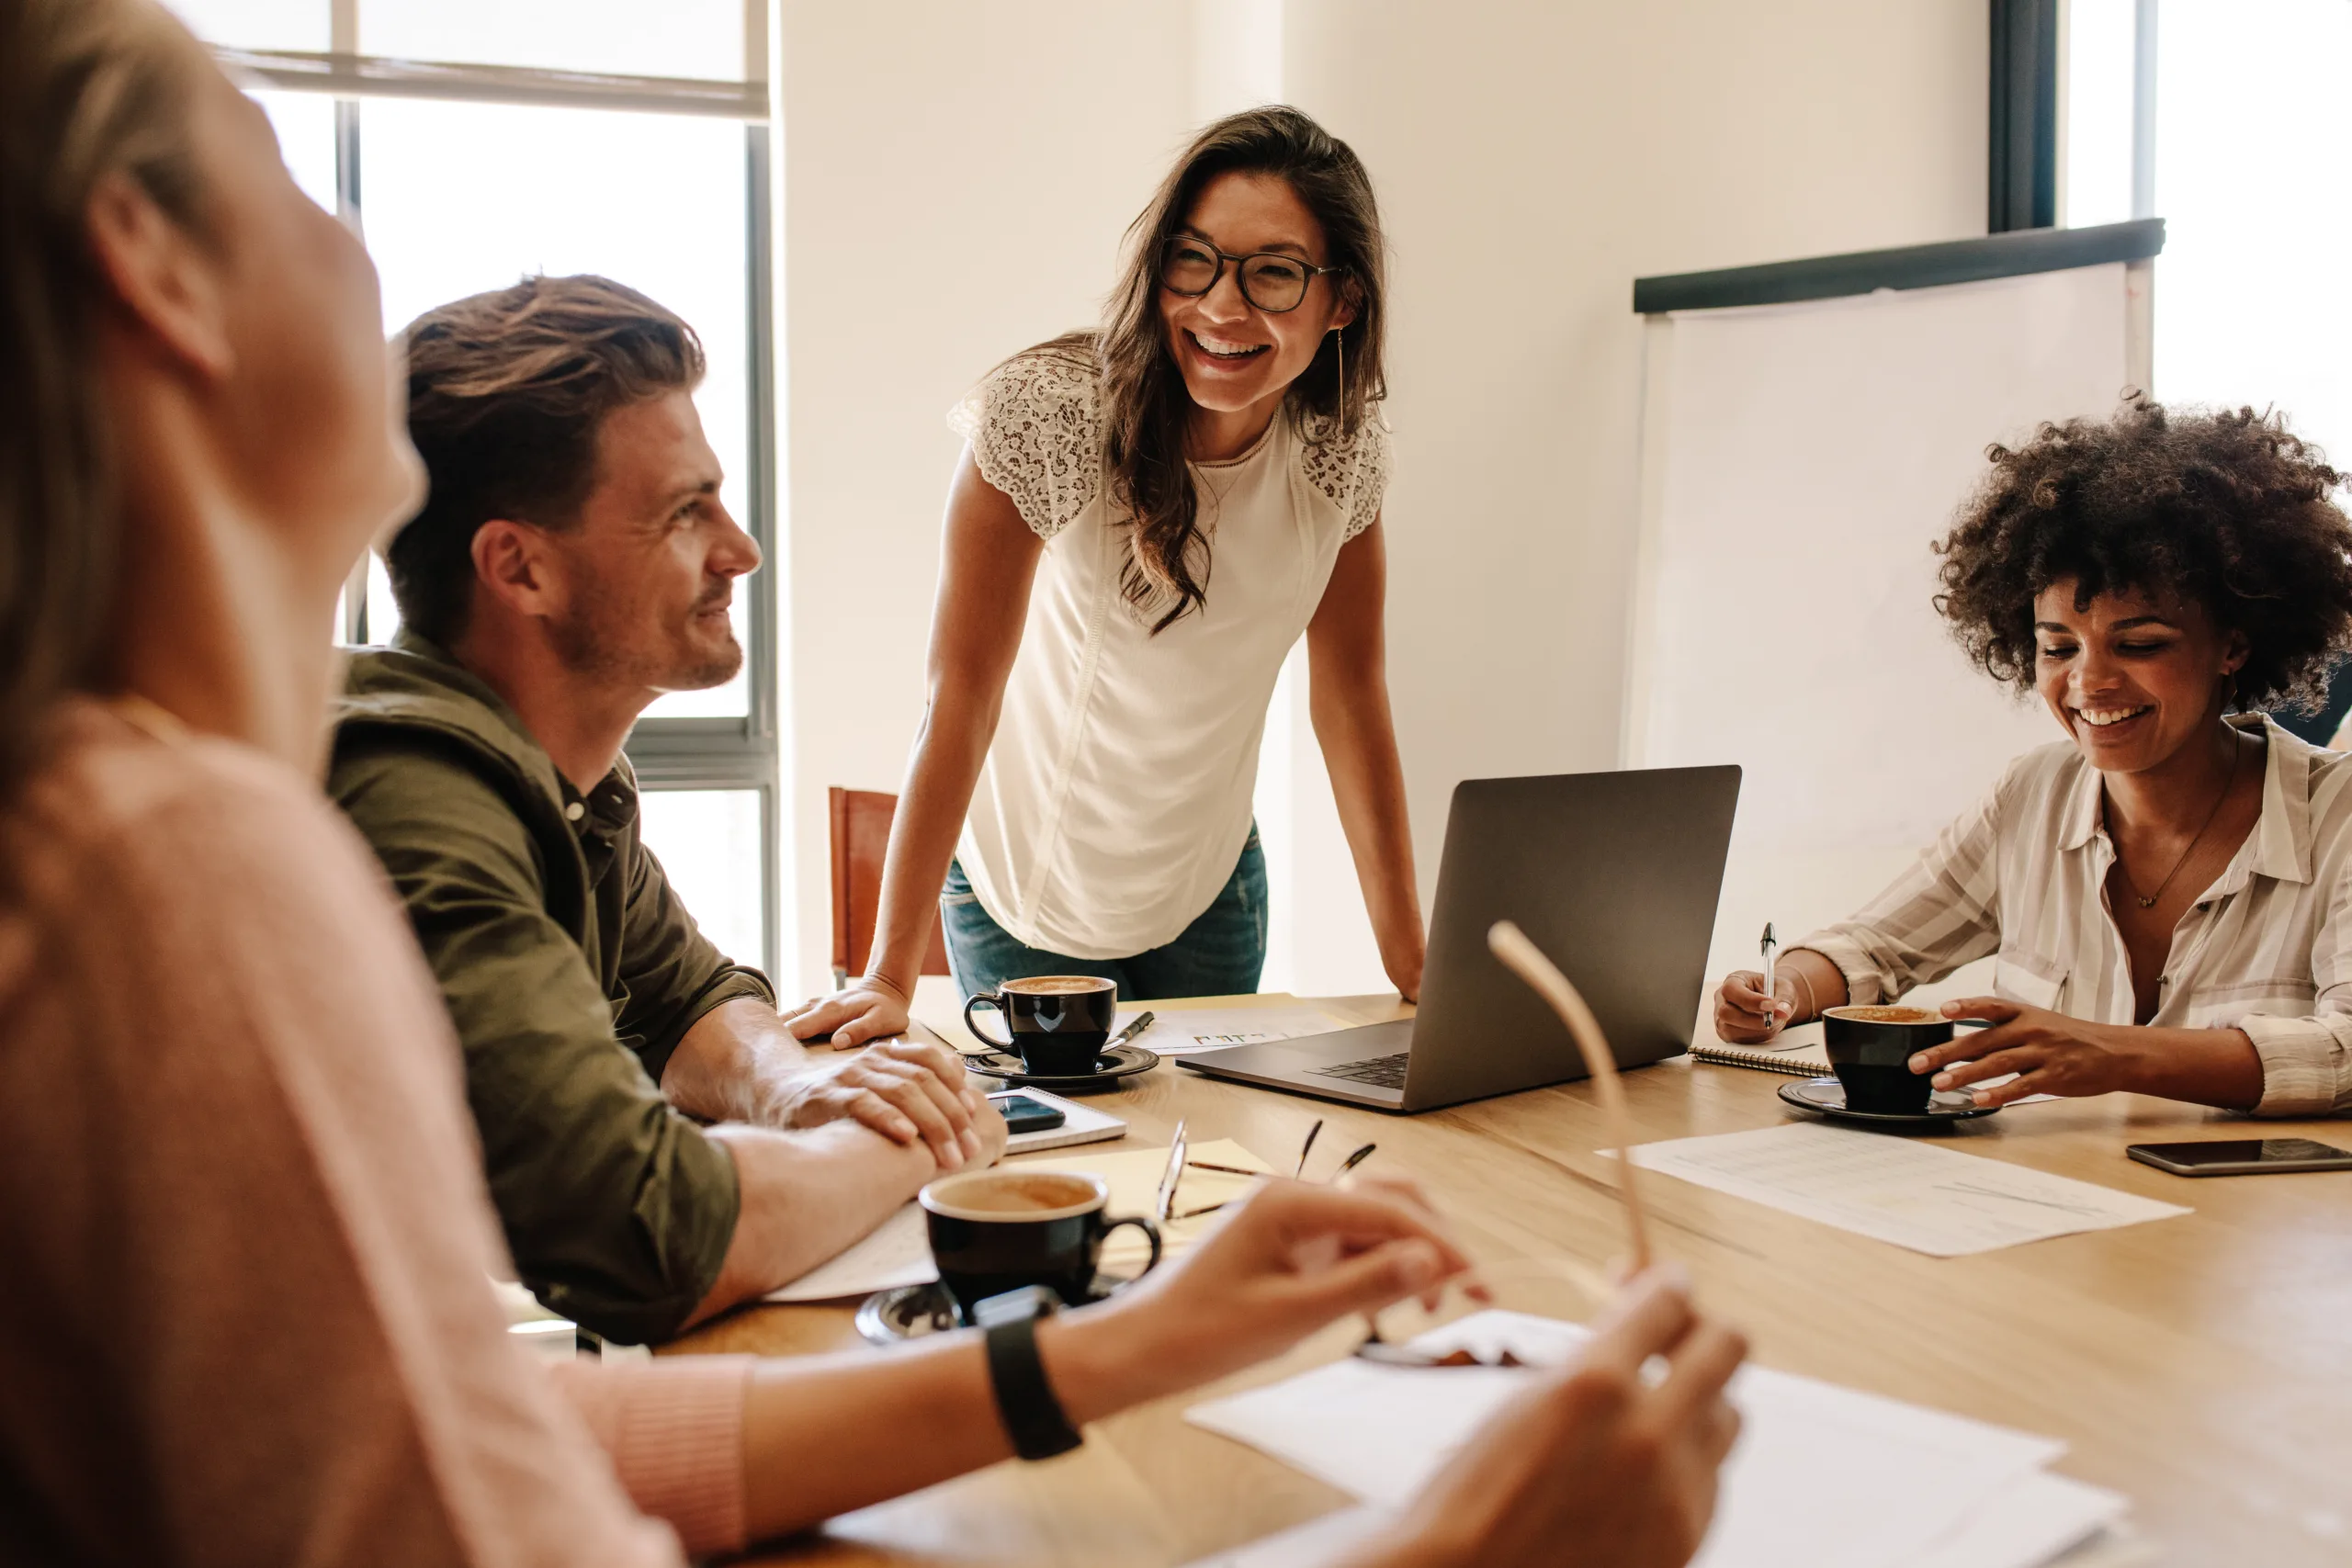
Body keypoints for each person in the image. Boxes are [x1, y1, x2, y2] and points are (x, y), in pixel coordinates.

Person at [0, 2, 1749, 1562]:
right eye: (292, 181)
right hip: (1027, 896)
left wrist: (1130, 1339)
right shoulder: (190, 862)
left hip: (1188, 892)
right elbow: (613, 1287)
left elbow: (488, 1424)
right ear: (150, 261)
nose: (745, 549)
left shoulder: (440, 795)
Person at [329, 275, 993, 1344]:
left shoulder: (558, 775)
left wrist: (798, 1091)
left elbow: (680, 997)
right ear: (521, 568)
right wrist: (919, 1143)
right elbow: (643, 1238)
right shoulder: (418, 800)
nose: (741, 551)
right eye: (686, 513)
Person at [787, 106, 1423, 1048]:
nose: (1220, 305)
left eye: (1275, 272)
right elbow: (960, 694)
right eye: (1193, 259)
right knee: (1062, 1157)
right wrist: (887, 973)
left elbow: (1350, 697)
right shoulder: (1048, 415)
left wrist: (1411, 958)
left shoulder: (1339, 451)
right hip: (1026, 897)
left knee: (1209, 1161)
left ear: (1343, 302)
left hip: (1210, 888)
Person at [1714, 400, 2352, 1118]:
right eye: (2059, 647)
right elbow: (1876, 948)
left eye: (2139, 644)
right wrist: (1786, 988)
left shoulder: (2338, 815)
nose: (2090, 683)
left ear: (2234, 645)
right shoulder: (2033, 793)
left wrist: (2111, 1053)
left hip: (2252, 1224)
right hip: (2053, 1202)